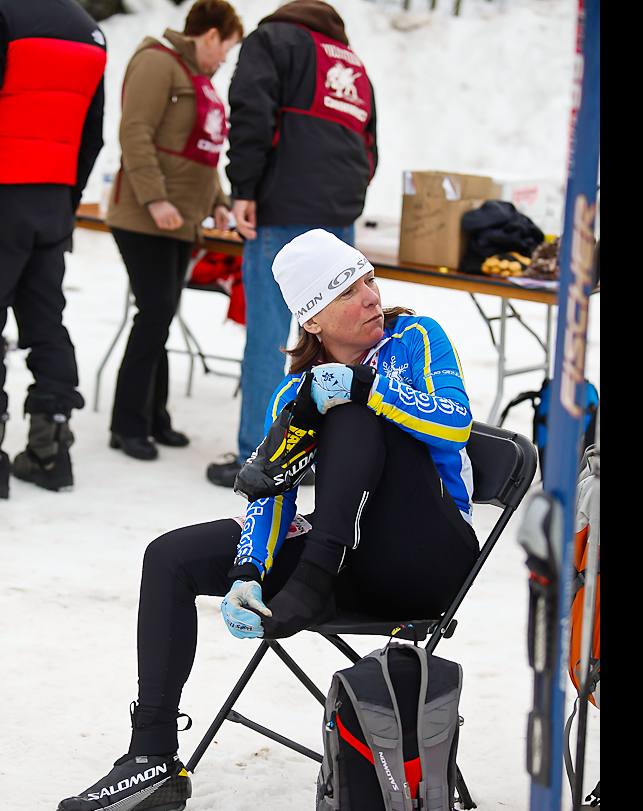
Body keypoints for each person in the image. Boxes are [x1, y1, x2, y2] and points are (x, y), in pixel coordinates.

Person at [57, 230, 479, 811]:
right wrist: (249, 571)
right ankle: (152, 756)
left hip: (425, 553)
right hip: (342, 559)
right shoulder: (295, 390)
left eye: (367, 281)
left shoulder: (417, 338)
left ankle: (313, 572)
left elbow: (454, 422)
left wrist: (365, 388)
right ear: (312, 323)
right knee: (170, 556)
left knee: (351, 413)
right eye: (348, 292)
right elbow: (271, 489)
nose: (370, 298)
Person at [206, 0, 377, 488]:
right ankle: (330, 453)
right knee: (337, 339)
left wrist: (244, 187)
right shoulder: (351, 61)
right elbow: (370, 143)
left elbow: (251, 111)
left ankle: (259, 455)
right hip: (338, 215)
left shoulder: (273, 41)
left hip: (280, 210)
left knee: (270, 334)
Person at [105, 0, 242, 461]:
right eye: (226, 47)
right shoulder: (156, 62)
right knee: (155, 312)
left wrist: (218, 202)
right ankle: (127, 424)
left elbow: (204, 156)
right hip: (144, 217)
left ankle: (152, 416)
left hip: (180, 223)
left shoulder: (199, 81)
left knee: (160, 315)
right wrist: (154, 198)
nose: (225, 58)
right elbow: (135, 132)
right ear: (209, 36)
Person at [0, 0, 106, 497]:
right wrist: (66, 195)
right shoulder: (89, 31)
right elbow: (94, 132)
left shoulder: (7, 15)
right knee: (46, 323)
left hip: (4, 189)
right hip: (52, 201)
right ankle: (51, 451)